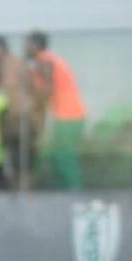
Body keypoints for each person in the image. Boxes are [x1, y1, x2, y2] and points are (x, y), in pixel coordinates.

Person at [24, 30, 86, 189]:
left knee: (64, 156)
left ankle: (73, 192)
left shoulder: (45, 61)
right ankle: (63, 192)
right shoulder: (43, 62)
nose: (24, 47)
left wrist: (37, 117)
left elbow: (46, 91)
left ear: (35, 45)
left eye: (27, 43)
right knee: (57, 157)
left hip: (69, 115)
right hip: (65, 115)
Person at [0, 36, 32, 186]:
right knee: (10, 159)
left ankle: (21, 191)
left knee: (19, 160)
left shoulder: (11, 64)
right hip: (9, 117)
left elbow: (11, 91)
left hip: (17, 117)